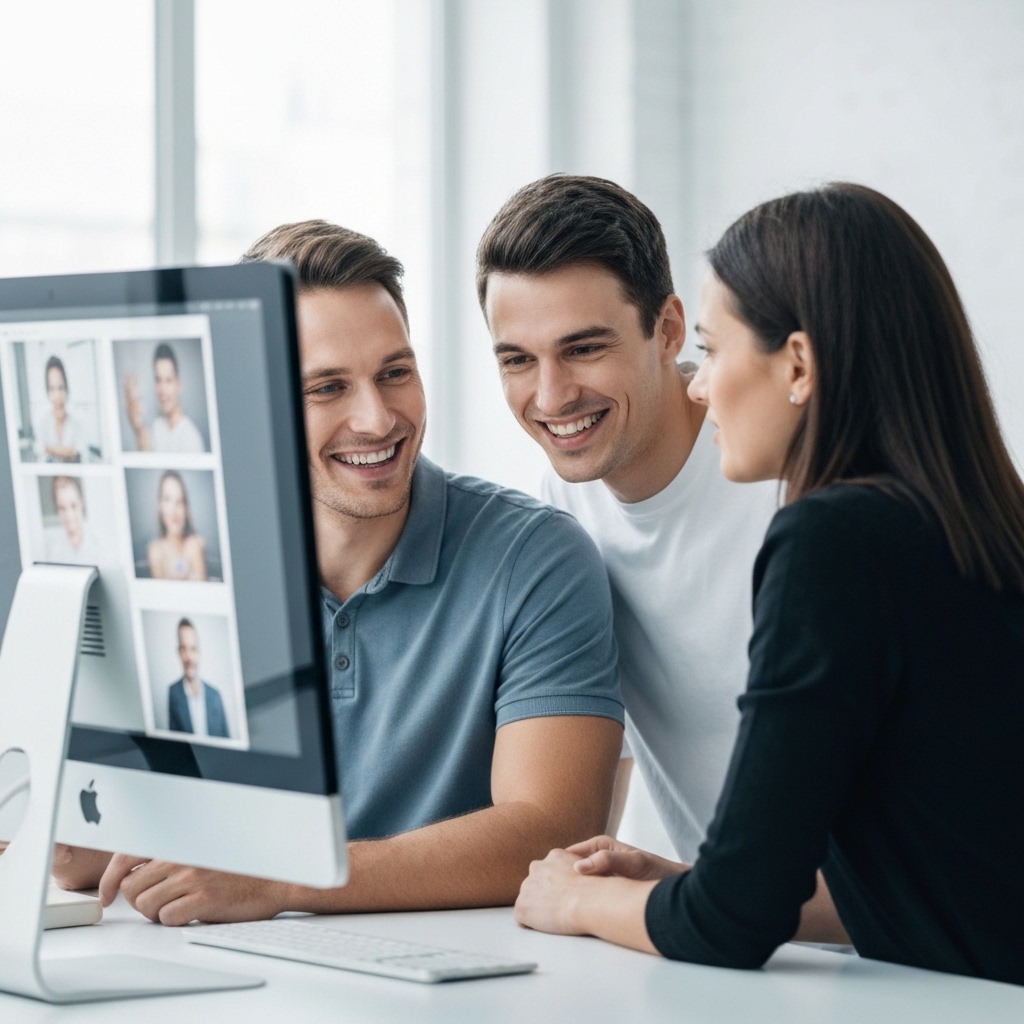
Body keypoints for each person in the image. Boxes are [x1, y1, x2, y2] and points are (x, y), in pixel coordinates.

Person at [512, 184, 1024, 988]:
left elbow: (732, 924)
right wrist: (682, 883)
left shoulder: (832, 538)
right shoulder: (972, 520)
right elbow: (929, 882)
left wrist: (574, 900)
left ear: (797, 365)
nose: (700, 385)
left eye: (712, 351)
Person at [52, 219, 625, 927]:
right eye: (326, 388)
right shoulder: (186, 560)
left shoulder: (535, 558)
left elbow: (550, 832)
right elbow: (83, 840)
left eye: (395, 373)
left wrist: (285, 879)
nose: (377, 418)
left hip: (462, 982)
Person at [477, 175, 777, 863]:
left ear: (668, 329)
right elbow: (592, 754)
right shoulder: (563, 504)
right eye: (518, 360)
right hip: (729, 939)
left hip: (894, 942)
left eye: (584, 348)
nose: (552, 396)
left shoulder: (786, 480)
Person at [124, 342, 207, 453]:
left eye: (168, 380)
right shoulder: (156, 427)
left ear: (179, 385)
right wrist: (138, 430)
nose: (162, 389)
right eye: (158, 380)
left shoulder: (191, 439)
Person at [166, 619, 230, 739]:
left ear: (199, 652)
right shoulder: (173, 693)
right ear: (178, 652)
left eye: (193, 649)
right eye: (183, 649)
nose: (188, 657)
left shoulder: (215, 695)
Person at [146, 470, 208, 581]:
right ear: (159, 505)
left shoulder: (195, 544)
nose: (174, 509)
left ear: (186, 508)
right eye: (167, 499)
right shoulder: (155, 550)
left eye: (179, 501)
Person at [34, 355, 83, 462]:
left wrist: (50, 449)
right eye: (52, 389)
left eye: (61, 388)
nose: (57, 396)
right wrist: (67, 452)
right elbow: (39, 452)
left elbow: (80, 454)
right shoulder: (43, 424)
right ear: (47, 392)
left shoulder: (76, 424)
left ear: (66, 389)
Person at [47, 476, 105, 565]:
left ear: (81, 504)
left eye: (73, 506)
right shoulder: (55, 552)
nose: (68, 515)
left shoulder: (100, 544)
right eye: (62, 508)